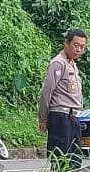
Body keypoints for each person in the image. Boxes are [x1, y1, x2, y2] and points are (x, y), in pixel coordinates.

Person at [37, 28, 87, 161]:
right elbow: (47, 92)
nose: (79, 49)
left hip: (73, 117)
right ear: (66, 43)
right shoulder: (58, 63)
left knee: (74, 159)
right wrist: (43, 118)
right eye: (76, 45)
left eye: (82, 47)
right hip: (60, 117)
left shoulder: (72, 64)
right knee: (60, 158)